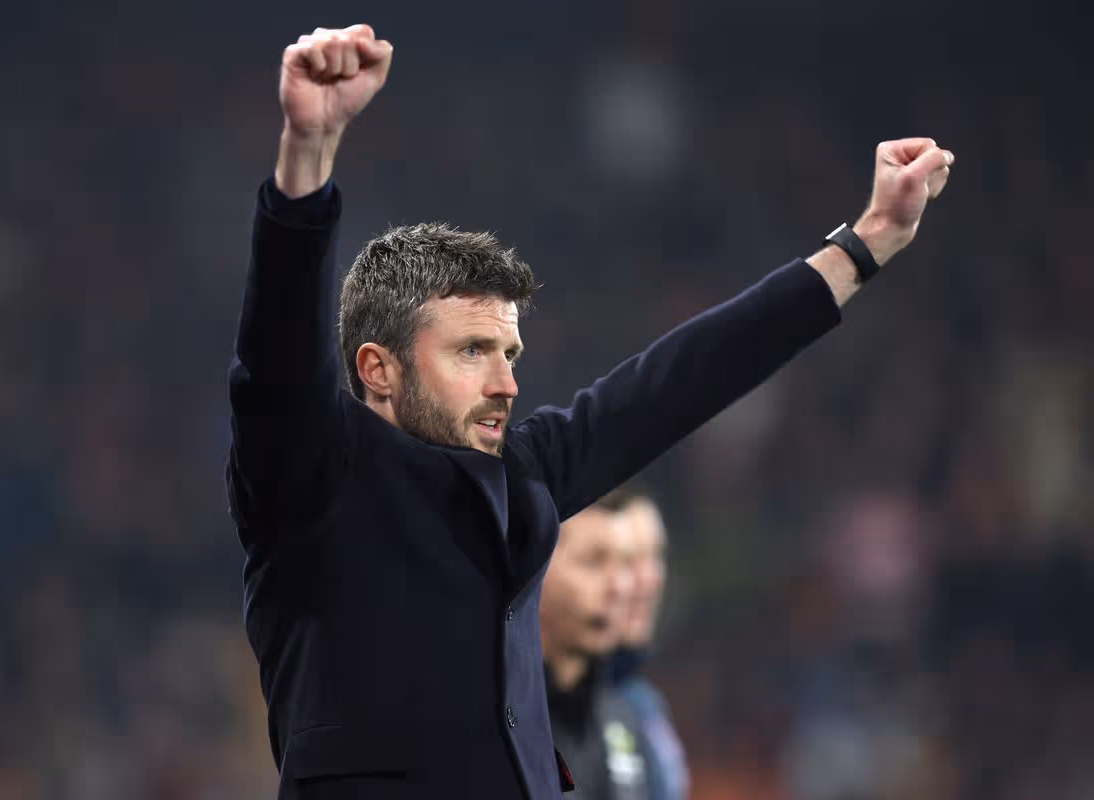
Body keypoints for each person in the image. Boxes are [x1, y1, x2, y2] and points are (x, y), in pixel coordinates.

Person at [224, 22, 955, 800]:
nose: (506, 383)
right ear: (378, 369)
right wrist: (308, 156)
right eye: (472, 351)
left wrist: (866, 243)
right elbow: (277, 360)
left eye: (510, 355)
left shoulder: (522, 477)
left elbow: (682, 381)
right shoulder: (316, 480)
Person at [539, 487, 657, 800]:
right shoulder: (496, 720)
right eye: (594, 562)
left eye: (625, 564)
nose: (619, 586)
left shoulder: (624, 721)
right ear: (537, 569)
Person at [612, 491, 689, 800]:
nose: (649, 578)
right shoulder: (542, 707)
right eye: (628, 559)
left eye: (656, 555)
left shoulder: (643, 704)